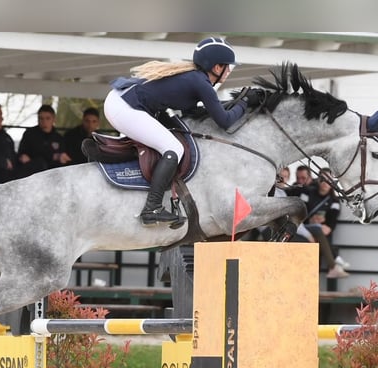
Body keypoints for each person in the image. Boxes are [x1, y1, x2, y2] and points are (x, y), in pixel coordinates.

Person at [103, 36, 261, 226]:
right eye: (228, 67)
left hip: (121, 101)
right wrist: (244, 103)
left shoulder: (196, 78)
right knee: (174, 148)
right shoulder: (201, 83)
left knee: (171, 143)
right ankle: (151, 208)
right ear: (217, 68)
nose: (228, 71)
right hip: (124, 107)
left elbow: (198, 112)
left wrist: (235, 104)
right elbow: (225, 121)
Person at [295, 167, 349, 279]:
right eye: (323, 179)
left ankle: (317, 282)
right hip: (303, 228)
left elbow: (332, 222)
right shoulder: (308, 193)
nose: (326, 183)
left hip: (321, 233)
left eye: (329, 180)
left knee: (319, 237)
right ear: (318, 180)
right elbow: (299, 212)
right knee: (318, 232)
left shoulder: (334, 200)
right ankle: (335, 261)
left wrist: (326, 226)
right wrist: (310, 220)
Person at [17, 104, 69, 175]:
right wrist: (22, 156)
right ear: (38, 119)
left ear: (53, 119)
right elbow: (22, 154)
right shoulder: (29, 134)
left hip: (53, 174)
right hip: (33, 173)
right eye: (41, 118)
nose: (44, 121)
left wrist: (62, 158)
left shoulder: (59, 138)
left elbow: (63, 157)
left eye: (48, 118)